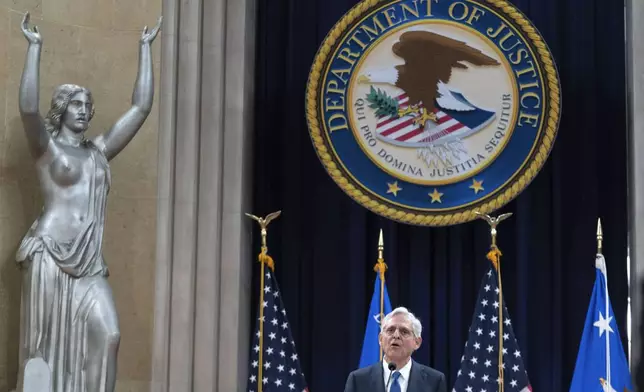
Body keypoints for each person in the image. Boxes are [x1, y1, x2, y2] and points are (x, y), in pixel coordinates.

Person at [15, 11, 161, 392]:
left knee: (109, 334)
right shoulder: (46, 150)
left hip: (90, 264)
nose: (84, 110)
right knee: (41, 352)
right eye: (76, 103)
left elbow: (140, 108)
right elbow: (28, 109)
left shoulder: (98, 152)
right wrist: (34, 48)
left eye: (87, 104)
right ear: (62, 108)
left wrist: (145, 50)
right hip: (49, 255)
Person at [344, 307, 447, 392]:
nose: (396, 335)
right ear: (380, 339)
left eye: (404, 331)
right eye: (390, 330)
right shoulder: (358, 380)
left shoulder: (434, 381)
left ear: (417, 342)